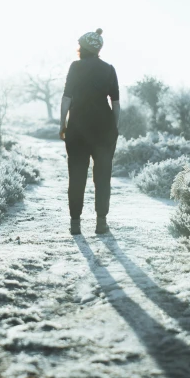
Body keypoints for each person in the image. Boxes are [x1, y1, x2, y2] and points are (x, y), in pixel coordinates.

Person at [59, 28, 120, 235]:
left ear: (81, 48)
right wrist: (115, 127)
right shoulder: (109, 69)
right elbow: (116, 103)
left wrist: (62, 124)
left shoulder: (75, 68)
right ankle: (101, 222)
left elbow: (66, 98)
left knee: (76, 175)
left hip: (77, 128)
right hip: (104, 130)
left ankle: (75, 223)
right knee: (102, 176)